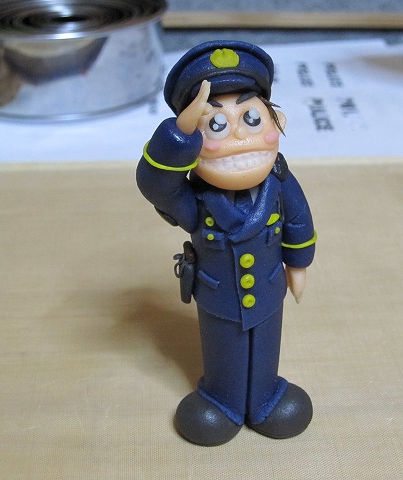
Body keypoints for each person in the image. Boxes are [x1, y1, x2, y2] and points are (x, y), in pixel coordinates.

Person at [136, 41, 316, 446]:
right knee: (224, 352)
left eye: (251, 118)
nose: (240, 138)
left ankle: (266, 398)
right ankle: (223, 401)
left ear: (277, 122)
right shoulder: (196, 202)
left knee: (266, 347)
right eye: (216, 125)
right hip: (219, 296)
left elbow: (299, 221)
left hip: (268, 289)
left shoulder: (280, 183)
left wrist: (298, 264)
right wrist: (179, 133)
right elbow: (155, 185)